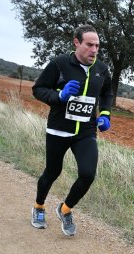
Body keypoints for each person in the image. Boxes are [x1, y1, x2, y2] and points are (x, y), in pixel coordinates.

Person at [30, 24, 113, 236]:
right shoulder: (59, 64)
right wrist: (59, 96)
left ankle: (65, 209)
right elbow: (38, 89)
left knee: (88, 174)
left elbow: (106, 94)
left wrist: (104, 114)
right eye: (89, 45)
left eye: (97, 46)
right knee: (52, 172)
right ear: (76, 43)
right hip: (59, 130)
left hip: (85, 132)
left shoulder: (101, 70)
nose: (94, 50)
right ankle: (39, 207)